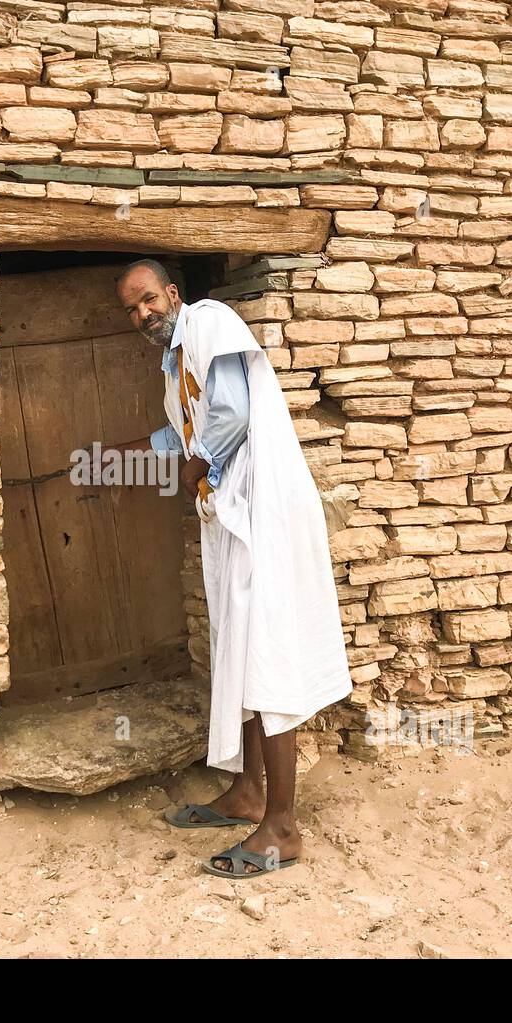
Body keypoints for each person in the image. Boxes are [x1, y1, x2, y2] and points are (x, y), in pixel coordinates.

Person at [110, 259, 353, 879]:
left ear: (172, 294)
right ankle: (248, 793)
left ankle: (284, 827)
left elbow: (233, 418)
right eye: (131, 310)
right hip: (231, 514)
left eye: (147, 301)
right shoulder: (175, 366)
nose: (143, 315)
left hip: (263, 508)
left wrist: (193, 468)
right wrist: (129, 454)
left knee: (266, 650)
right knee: (241, 648)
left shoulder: (211, 323)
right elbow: (185, 431)